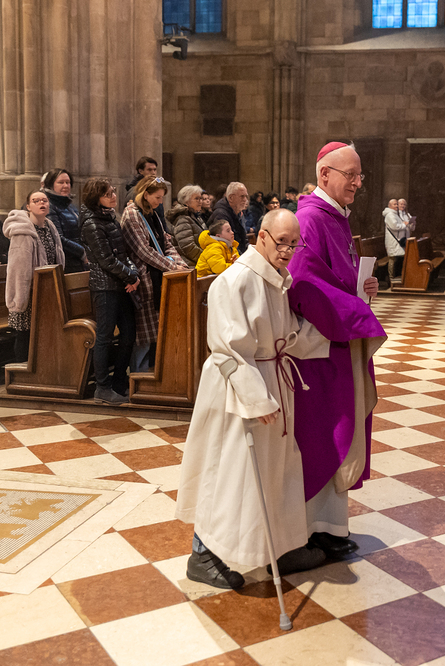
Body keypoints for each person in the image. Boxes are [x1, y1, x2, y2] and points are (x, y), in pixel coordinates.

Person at [176, 209, 332, 589]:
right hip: (239, 391)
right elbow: (228, 351)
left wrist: (337, 333)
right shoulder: (235, 281)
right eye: (281, 242)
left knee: (278, 469)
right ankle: (202, 555)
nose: (288, 251)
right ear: (261, 236)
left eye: (294, 244)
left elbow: (288, 335)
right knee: (231, 471)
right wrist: (256, 399)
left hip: (273, 379)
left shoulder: (277, 278)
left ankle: (283, 546)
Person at [287, 142, 386, 561]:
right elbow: (303, 283)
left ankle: (330, 527)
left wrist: (362, 287)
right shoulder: (310, 219)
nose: (358, 183)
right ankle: (311, 530)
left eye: (360, 176)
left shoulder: (336, 217)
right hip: (319, 347)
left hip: (337, 340)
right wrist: (354, 312)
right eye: (351, 175)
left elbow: (335, 277)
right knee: (322, 436)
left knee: (339, 434)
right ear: (325, 174)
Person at [79, 178, 140, 405]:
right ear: (96, 198)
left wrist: (133, 274)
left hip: (120, 284)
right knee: (104, 337)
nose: (113, 196)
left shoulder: (110, 218)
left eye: (113, 191)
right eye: (107, 194)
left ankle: (119, 382)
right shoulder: (92, 224)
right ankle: (102, 388)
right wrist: (131, 276)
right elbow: (106, 260)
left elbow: (123, 254)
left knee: (129, 333)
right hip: (104, 287)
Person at [120, 176, 187, 372]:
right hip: (145, 277)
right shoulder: (132, 215)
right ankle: (139, 375)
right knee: (145, 334)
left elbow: (166, 242)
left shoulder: (152, 213)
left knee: (157, 331)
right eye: (157, 197)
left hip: (160, 274)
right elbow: (143, 250)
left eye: (162, 197)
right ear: (145, 194)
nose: (160, 201)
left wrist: (181, 265)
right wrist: (172, 267)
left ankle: (156, 372)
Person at [4, 190, 65, 363]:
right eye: (36, 201)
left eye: (44, 200)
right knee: (25, 333)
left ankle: (40, 368)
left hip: (47, 288)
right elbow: (19, 266)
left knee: (42, 332)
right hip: (28, 290)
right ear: (28, 206)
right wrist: (21, 294)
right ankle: (22, 369)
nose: (41, 203)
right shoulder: (23, 230)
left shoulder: (50, 226)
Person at [43, 169, 86, 273]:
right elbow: (57, 237)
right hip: (65, 261)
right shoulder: (49, 206)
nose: (65, 186)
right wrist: (82, 252)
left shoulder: (71, 205)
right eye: (61, 182)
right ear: (51, 185)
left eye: (68, 182)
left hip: (77, 259)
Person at [166, 185, 207, 267]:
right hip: (190, 265)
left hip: (198, 262)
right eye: (196, 198)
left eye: (201, 198)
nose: (200, 201)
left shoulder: (196, 217)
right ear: (186, 202)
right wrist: (206, 258)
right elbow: (188, 247)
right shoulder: (182, 219)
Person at [208, 182, 249, 251]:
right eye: (242, 196)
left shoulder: (238, 213)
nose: (245, 199)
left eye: (246, 196)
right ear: (230, 198)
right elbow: (226, 243)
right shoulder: (220, 214)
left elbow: (243, 239)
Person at [383, 198, 411, 278]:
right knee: (392, 259)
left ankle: (398, 276)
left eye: (396, 204)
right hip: (393, 241)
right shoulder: (390, 215)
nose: (396, 206)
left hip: (397, 240)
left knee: (397, 259)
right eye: (394, 204)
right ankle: (391, 278)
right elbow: (395, 226)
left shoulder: (395, 214)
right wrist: (404, 224)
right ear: (390, 206)